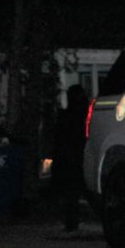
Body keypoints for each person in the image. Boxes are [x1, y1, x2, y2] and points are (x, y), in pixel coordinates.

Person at [51, 84, 89, 231]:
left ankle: (71, 222)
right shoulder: (82, 115)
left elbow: (58, 139)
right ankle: (72, 221)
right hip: (77, 157)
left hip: (69, 158)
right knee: (76, 192)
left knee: (71, 193)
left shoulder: (66, 116)